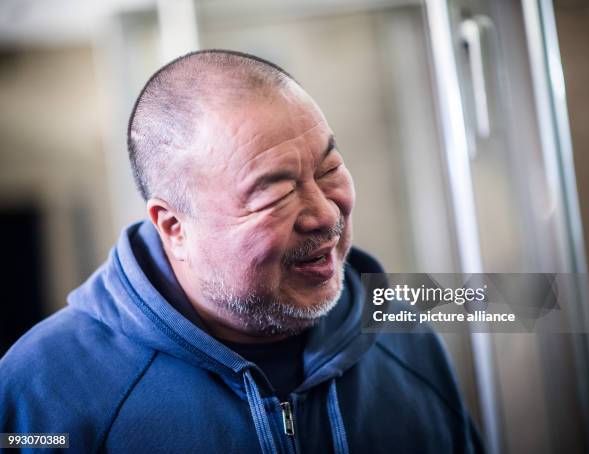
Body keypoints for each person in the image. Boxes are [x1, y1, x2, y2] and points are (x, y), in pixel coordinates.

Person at [0, 50, 482, 453]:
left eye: (329, 168)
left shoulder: (404, 325)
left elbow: (533, 304)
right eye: (274, 193)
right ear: (174, 226)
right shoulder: (44, 386)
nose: (323, 215)